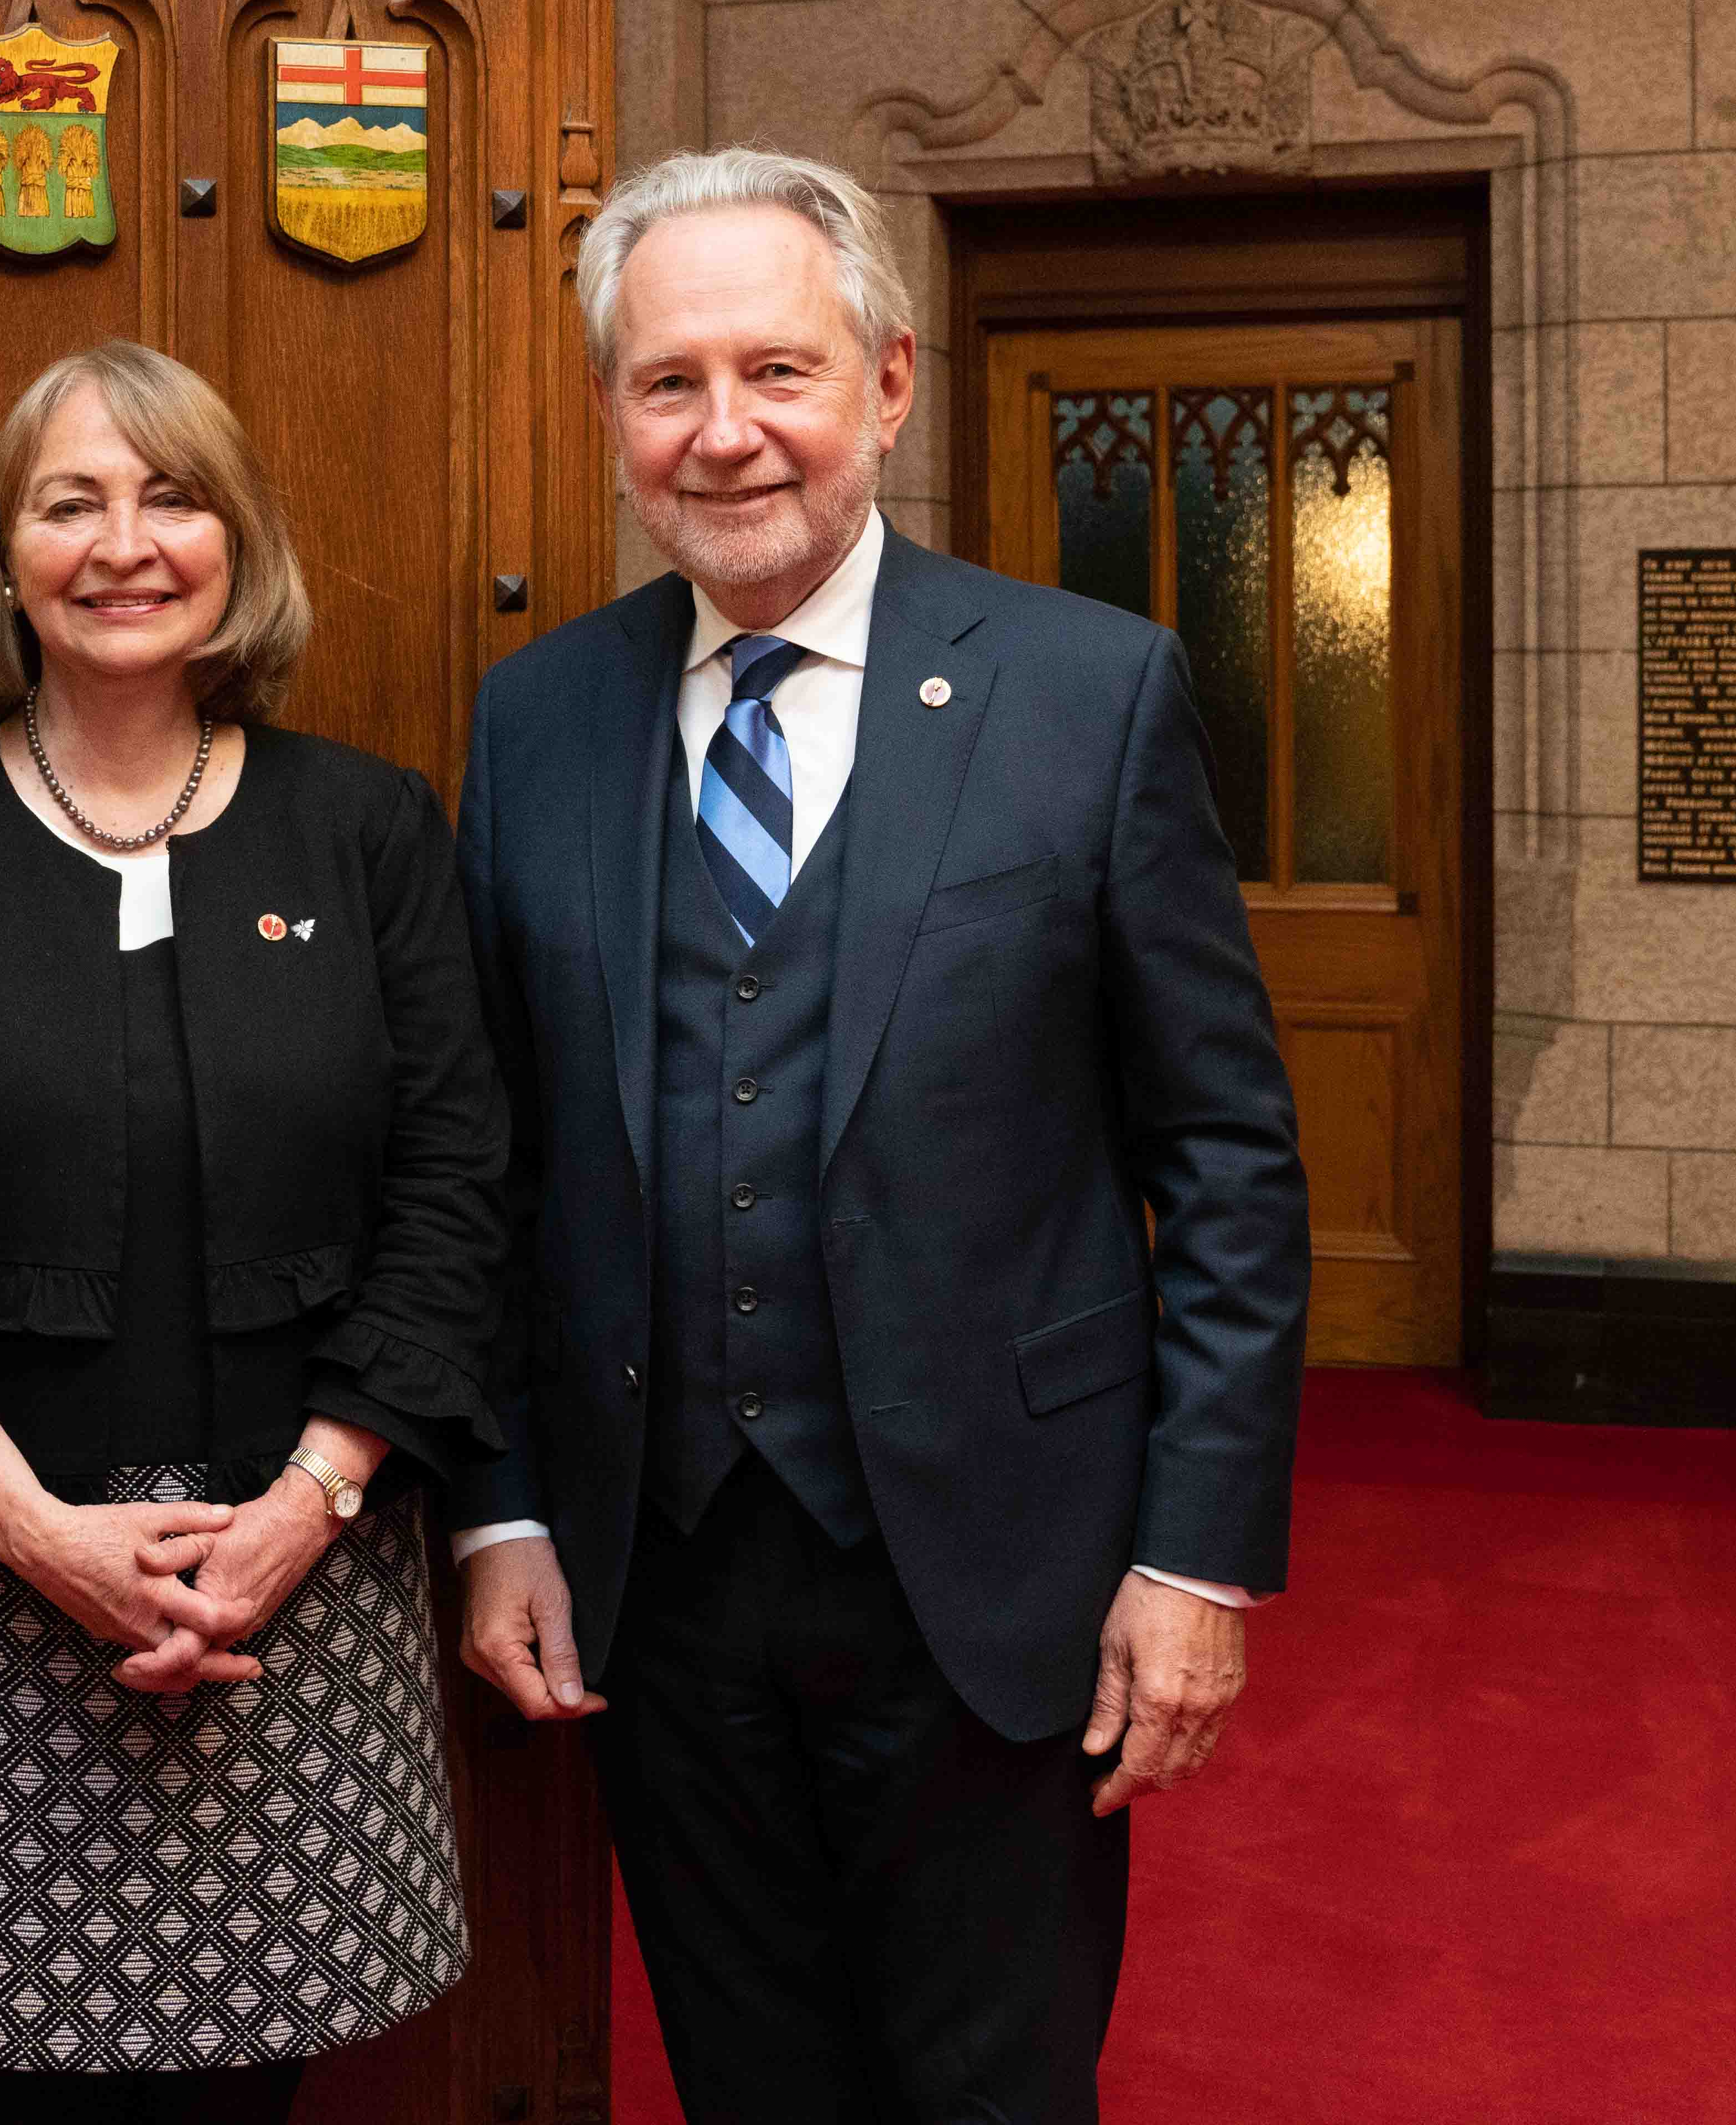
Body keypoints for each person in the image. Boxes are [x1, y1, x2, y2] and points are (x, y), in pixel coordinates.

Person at [447, 149, 1308, 2123]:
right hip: (654, 1576)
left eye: (781, 372)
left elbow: (1232, 1163)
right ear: (611, 417)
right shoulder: (538, 721)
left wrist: (1198, 1561)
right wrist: (496, 1503)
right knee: (752, 2086)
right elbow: (485, 1170)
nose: (726, 433)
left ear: (891, 386)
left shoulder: (1089, 694)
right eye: (669, 383)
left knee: (991, 2093)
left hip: (996, 1564)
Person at [0, 340, 505, 2122]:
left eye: (171, 497)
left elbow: (457, 1185)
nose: (124, 541)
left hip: (290, 1598)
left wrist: (303, 1511)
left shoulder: (368, 829)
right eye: (69, 502)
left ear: (237, 542)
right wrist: (37, 1535)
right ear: (4, 557)